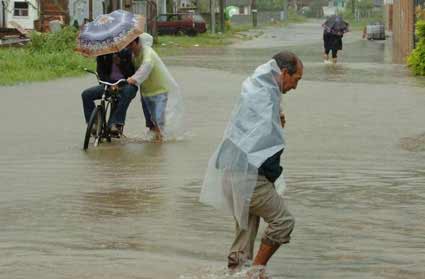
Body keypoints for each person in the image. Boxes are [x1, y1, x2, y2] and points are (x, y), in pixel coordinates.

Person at [200, 51, 303, 275]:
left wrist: (276, 116)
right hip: (248, 175)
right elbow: (265, 146)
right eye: (296, 80)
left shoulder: (258, 89)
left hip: (230, 170)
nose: (295, 86)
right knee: (283, 222)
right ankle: (255, 271)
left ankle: (237, 270)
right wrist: (274, 178)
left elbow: (253, 126)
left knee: (245, 231)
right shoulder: (265, 98)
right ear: (284, 73)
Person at [126, 33, 184, 142]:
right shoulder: (133, 55)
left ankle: (160, 149)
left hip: (159, 91)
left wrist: (134, 79)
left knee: (159, 120)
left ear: (137, 42)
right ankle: (156, 142)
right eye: (127, 45)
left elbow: (147, 65)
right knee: (152, 123)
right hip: (146, 93)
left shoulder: (147, 51)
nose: (129, 47)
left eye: (131, 44)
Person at [81, 48, 138, 134]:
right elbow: (101, 73)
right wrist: (111, 84)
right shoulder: (102, 54)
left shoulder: (127, 52)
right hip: (108, 85)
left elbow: (132, 73)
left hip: (126, 85)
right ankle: (94, 123)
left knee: (126, 93)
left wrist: (120, 63)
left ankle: (116, 123)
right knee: (86, 94)